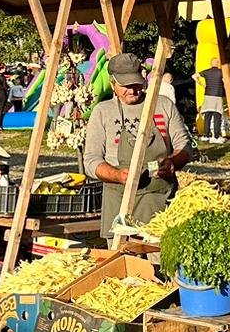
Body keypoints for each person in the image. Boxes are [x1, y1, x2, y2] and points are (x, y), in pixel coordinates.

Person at [81, 52, 194, 235]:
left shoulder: (163, 105)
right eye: (125, 85)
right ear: (112, 84)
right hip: (118, 201)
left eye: (136, 84)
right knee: (122, 260)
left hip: (160, 201)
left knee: (159, 259)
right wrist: (117, 175)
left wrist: (173, 162)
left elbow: (185, 146)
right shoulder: (102, 112)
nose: (132, 90)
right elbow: (91, 160)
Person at [197, 59, 226, 143]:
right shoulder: (221, 72)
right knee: (217, 116)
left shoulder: (206, 72)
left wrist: (202, 84)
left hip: (208, 95)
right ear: (218, 63)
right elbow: (225, 81)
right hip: (217, 96)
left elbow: (194, 76)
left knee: (207, 116)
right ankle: (216, 136)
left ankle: (206, 135)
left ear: (210, 64)